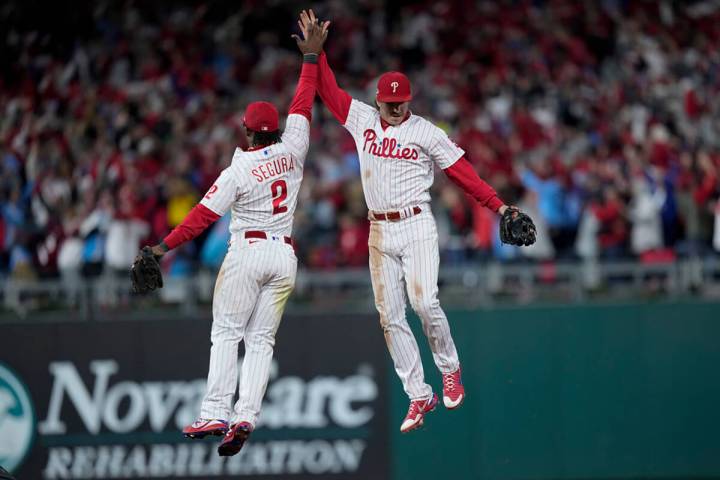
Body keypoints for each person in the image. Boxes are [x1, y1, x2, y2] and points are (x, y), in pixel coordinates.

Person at [297, 10, 529, 433]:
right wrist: (316, 57)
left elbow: (463, 174)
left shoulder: (426, 132)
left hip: (417, 224)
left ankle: (450, 369)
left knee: (425, 302)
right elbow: (328, 94)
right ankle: (418, 394)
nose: (396, 107)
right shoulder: (365, 119)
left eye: (402, 101)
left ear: (410, 99)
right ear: (379, 100)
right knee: (390, 316)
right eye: (389, 102)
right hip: (379, 230)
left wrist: (500, 207)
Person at [139, 20, 327, 456]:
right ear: (274, 130)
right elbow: (303, 104)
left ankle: (216, 411)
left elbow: (202, 217)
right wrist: (311, 59)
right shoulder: (294, 148)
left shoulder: (239, 169)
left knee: (226, 332)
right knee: (261, 342)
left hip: (247, 252)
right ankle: (247, 417)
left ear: (246, 131)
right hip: (284, 256)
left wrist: (162, 247)